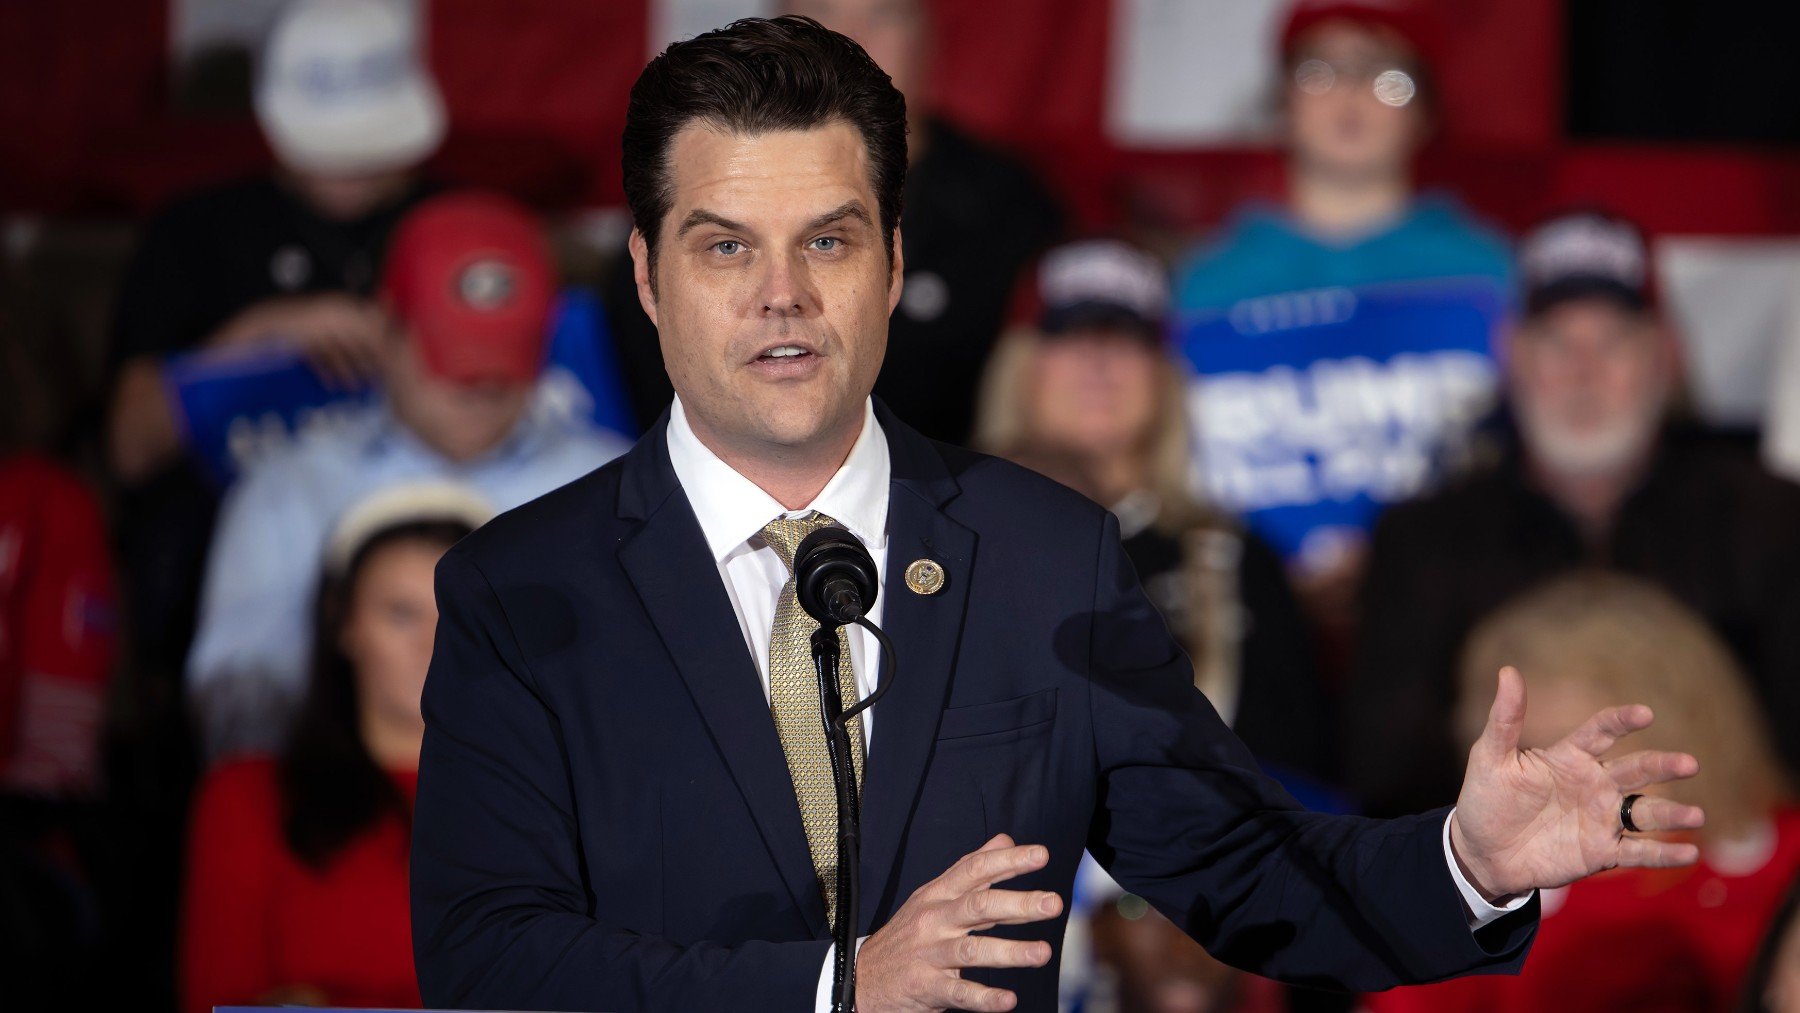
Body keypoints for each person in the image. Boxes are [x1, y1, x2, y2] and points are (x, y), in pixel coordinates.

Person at [412, 18, 1705, 1013]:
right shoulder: (523, 589)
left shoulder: (1041, 555)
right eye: (724, 245)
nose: (783, 295)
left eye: (830, 240)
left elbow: (1246, 874)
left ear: (896, 263)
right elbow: (486, 956)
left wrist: (1467, 862)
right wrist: (837, 986)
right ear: (645, 273)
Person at [1348, 209, 1800, 818]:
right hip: (1504, 885)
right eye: (1558, 343)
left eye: (1613, 343)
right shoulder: (1421, 538)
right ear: (1512, 354)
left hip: (1722, 867)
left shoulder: (1769, 520)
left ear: (1665, 356)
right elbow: (1383, 776)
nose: (1584, 374)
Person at [185, 192, 629, 760]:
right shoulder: (292, 488)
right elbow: (241, 697)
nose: (480, 385)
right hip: (342, 799)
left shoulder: (616, 485)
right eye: (457, 354)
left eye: (504, 354)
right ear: (386, 330)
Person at [104, 0, 445, 709]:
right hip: (230, 543)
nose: (348, 161)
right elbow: (129, 448)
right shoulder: (194, 234)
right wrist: (257, 336)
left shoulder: (455, 226)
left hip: (431, 536)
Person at [1171, 0, 1512, 632]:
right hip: (1248, 623)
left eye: (1387, 76)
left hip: (1450, 615)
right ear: (1281, 103)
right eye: (1321, 70)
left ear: (1427, 113)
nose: (1351, 94)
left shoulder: (1491, 272)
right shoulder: (1204, 283)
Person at [604, 0, 1065, 445]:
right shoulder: (685, 190)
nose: (853, 38)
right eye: (728, 246)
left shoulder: (1012, 206)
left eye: (826, 241)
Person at [974, 237, 1331, 788]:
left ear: (1165, 377)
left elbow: (1301, 770)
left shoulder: (1237, 560)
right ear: (1020, 367)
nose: (1099, 363)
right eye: (1068, 334)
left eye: (1126, 338)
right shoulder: (942, 537)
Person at [1366, 573, 1800, 1013]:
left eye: (1597, 749)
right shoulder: (1473, 910)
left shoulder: (1781, 866)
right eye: (1528, 756)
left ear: (1691, 728)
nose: (1562, 787)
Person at [182, 482, 491, 1013]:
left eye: (458, 614)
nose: (433, 642)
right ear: (344, 623)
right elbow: (216, 999)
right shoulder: (247, 797)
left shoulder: (566, 805)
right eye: (401, 613)